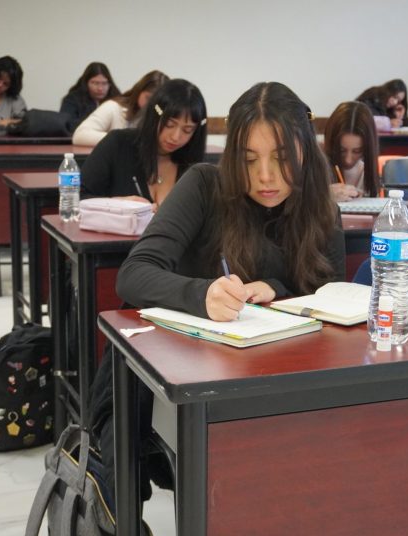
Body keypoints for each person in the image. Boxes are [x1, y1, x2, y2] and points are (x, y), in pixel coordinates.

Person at [90, 81, 346, 501]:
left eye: (282, 158)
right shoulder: (204, 186)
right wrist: (202, 294)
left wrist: (276, 289)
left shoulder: (320, 210)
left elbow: (329, 298)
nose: (265, 176)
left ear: (305, 150)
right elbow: (133, 275)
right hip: (177, 382)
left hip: (267, 386)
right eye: (249, 159)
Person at [80, 78, 207, 210]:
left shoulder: (193, 167)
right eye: (169, 124)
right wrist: (118, 204)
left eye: (187, 130)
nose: (175, 137)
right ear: (155, 116)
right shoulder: (118, 144)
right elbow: (77, 196)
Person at [72, 70, 168, 146]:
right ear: (139, 91)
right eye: (148, 98)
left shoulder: (161, 113)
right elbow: (80, 136)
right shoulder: (113, 107)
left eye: (158, 102)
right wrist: (124, 138)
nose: (152, 105)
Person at [324, 101, 381, 201]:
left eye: (357, 151)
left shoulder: (366, 173)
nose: (348, 160)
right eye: (341, 150)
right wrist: (323, 196)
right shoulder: (312, 168)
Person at [60, 62, 120, 130]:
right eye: (95, 83)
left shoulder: (117, 99)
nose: (100, 88)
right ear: (86, 83)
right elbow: (67, 123)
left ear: (110, 84)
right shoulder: (72, 99)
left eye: (104, 83)